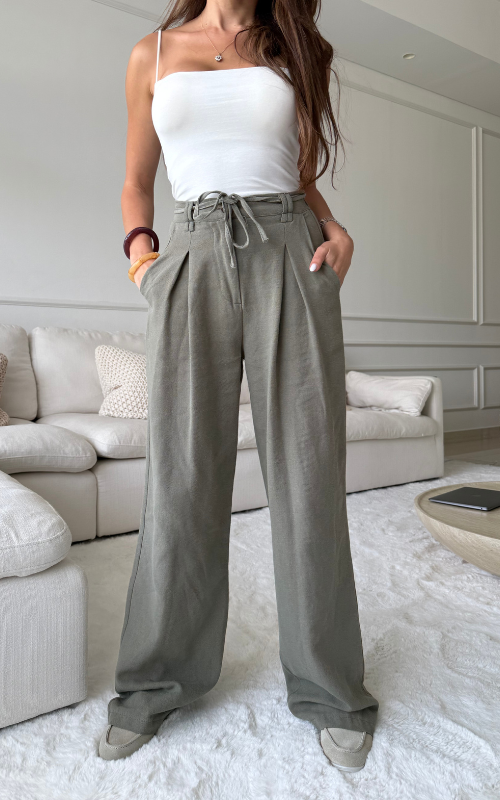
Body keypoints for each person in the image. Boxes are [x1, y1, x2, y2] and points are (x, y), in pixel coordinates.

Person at [99, 0, 379, 770]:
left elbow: (298, 171)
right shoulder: (152, 53)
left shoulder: (291, 45)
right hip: (191, 250)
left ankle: (328, 687)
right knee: (181, 477)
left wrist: (335, 227)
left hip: (291, 246)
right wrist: (143, 261)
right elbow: (135, 181)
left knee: (309, 474)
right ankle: (154, 681)